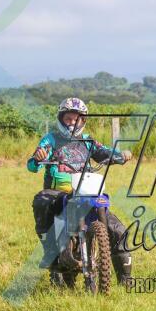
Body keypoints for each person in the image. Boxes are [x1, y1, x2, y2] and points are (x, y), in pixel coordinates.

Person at [28, 97, 133, 285]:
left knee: (118, 229)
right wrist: (37, 158)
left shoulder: (87, 141)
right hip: (59, 193)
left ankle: (125, 279)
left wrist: (121, 156)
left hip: (85, 191)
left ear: (83, 121)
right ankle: (50, 253)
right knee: (42, 200)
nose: (72, 123)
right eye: (68, 119)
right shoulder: (51, 139)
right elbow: (32, 165)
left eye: (76, 119)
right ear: (61, 119)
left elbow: (105, 152)